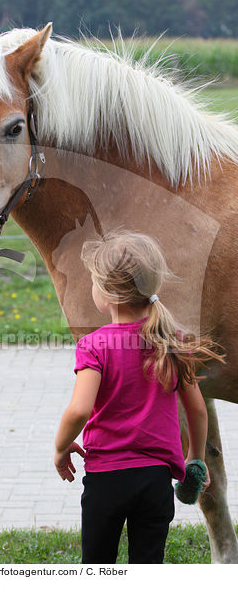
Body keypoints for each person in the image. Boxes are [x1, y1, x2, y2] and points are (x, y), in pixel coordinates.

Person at [54, 228, 225, 564]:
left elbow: (79, 410)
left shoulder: (94, 345)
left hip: (106, 479)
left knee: (97, 566)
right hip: (156, 482)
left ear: (106, 294)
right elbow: (198, 412)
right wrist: (195, 459)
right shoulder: (171, 341)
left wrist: (61, 448)